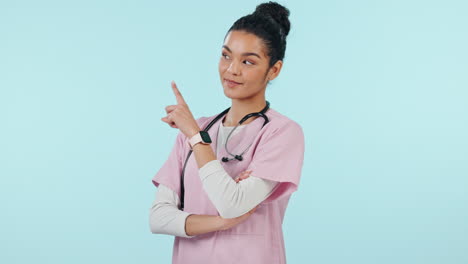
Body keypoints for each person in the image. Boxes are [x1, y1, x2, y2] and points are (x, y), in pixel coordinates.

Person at [149, 2, 305, 263]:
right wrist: (222, 223)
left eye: (248, 61)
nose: (232, 69)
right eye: (226, 55)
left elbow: (232, 203)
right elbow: (159, 218)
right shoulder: (197, 126)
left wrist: (197, 139)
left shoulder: (282, 133)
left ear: (274, 70)